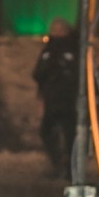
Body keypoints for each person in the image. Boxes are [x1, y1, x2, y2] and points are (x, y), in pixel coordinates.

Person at [32, 18, 81, 176]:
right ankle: (57, 164)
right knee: (47, 132)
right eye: (54, 30)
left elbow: (76, 74)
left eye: (60, 30)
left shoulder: (73, 48)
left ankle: (69, 169)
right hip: (52, 99)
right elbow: (38, 73)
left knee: (69, 136)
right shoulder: (49, 48)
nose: (56, 33)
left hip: (68, 100)